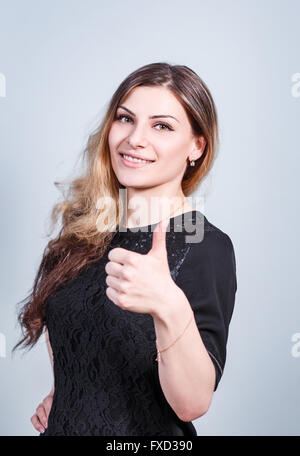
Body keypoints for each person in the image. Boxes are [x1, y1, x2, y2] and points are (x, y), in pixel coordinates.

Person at [13, 62, 237, 436]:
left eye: (162, 126)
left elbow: (193, 404)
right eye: (125, 119)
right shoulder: (83, 235)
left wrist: (168, 302)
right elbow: (88, 349)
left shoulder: (203, 244)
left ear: (196, 146)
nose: (135, 138)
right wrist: (67, 395)